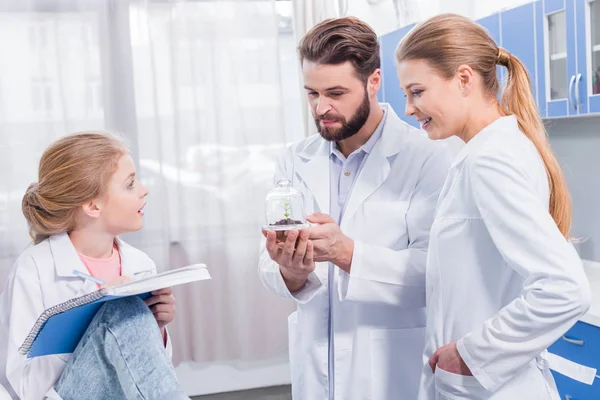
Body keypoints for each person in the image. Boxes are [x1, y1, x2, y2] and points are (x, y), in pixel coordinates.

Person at [395, 13, 592, 399]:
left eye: (417, 92)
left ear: (464, 79)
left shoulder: (490, 160)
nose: (408, 108)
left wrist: (471, 355)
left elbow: (565, 289)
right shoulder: (492, 149)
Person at [258, 16, 451, 400]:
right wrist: (289, 270)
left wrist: (348, 254)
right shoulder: (295, 160)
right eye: (312, 93)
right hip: (316, 366)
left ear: (373, 81)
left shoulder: (427, 158)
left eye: (335, 92)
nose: (321, 107)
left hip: (388, 369)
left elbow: (439, 271)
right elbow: (266, 265)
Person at [0, 133, 188, 400]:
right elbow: (24, 387)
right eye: (130, 183)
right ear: (92, 205)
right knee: (121, 307)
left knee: (125, 309)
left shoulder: (140, 264)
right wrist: (96, 315)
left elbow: (151, 378)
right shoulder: (34, 269)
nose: (144, 189)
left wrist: (156, 326)